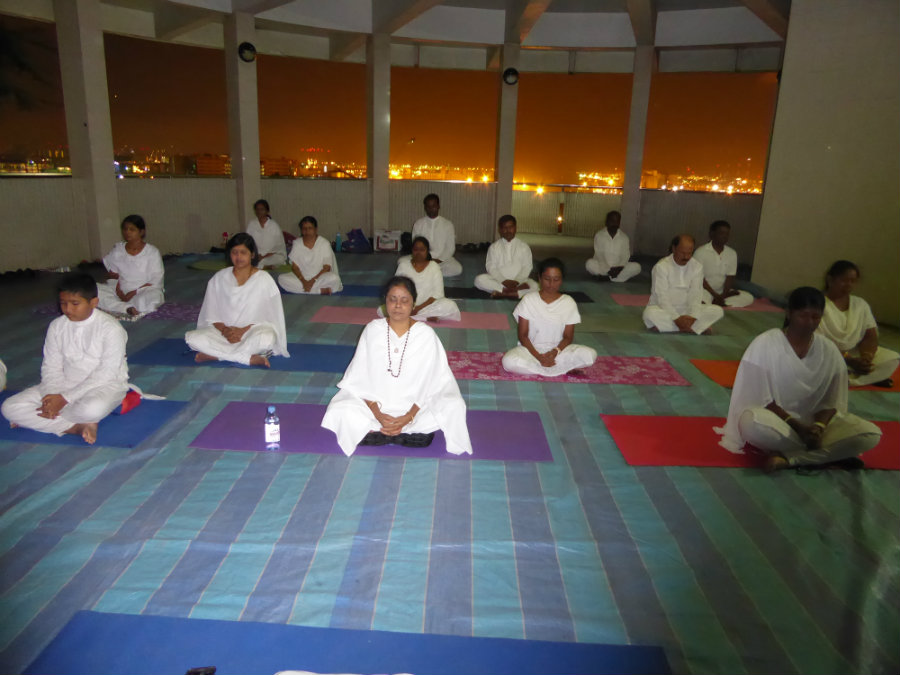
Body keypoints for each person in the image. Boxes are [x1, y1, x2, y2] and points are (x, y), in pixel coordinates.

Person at [717, 287, 882, 472]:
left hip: (815, 427)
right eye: (803, 316)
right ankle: (828, 455)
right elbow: (760, 398)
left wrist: (818, 427)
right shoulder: (765, 343)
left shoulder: (828, 349)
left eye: (815, 317)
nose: (809, 322)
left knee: (870, 434)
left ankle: (792, 458)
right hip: (778, 423)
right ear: (789, 313)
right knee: (750, 422)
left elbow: (832, 401)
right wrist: (799, 428)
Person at [321, 276, 472, 457]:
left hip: (417, 406)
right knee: (340, 408)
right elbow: (359, 376)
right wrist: (377, 414)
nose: (398, 305)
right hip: (374, 404)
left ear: (413, 303)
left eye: (404, 300)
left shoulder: (425, 334)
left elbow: (434, 380)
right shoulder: (373, 329)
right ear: (385, 301)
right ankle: (400, 432)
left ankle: (380, 432)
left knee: (454, 406)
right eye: (392, 299)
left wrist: (409, 416)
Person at [1, 273, 129, 445]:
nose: (68, 309)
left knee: (91, 410)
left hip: (103, 386)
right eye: (63, 303)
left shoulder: (111, 329)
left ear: (94, 302)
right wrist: (52, 395)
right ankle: (76, 427)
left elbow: (107, 373)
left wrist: (63, 400)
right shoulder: (57, 326)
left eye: (75, 304)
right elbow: (51, 366)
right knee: (9, 407)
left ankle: (48, 419)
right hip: (64, 384)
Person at [185, 233, 289, 367]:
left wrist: (241, 331)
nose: (238, 257)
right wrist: (226, 331)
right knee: (193, 339)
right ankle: (246, 358)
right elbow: (211, 315)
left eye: (243, 252)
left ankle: (218, 356)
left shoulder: (264, 279)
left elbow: (271, 318)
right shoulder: (219, 278)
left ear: (252, 255)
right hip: (223, 334)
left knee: (266, 338)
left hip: (252, 332)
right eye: (234, 252)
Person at [502, 258, 597, 377]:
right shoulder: (529, 300)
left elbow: (568, 337)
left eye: (556, 279)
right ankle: (561, 369)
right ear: (539, 278)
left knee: (590, 355)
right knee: (509, 361)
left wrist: (554, 353)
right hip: (530, 351)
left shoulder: (568, 302)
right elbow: (523, 336)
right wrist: (538, 357)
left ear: (561, 280)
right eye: (547, 279)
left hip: (559, 352)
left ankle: (540, 368)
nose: (551, 284)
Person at [817, 260, 899, 387]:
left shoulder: (860, 304)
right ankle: (857, 377)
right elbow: (816, 341)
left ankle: (849, 377)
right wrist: (848, 360)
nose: (848, 285)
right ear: (830, 279)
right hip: (827, 354)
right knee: (817, 362)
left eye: (853, 281)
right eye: (844, 280)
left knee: (892, 358)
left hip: (854, 352)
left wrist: (866, 357)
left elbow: (870, 336)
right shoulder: (818, 302)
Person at [643, 234, 724, 334]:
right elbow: (661, 297)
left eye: (689, 253)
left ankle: (671, 328)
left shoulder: (697, 267)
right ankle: (695, 328)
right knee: (650, 314)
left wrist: (692, 317)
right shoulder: (661, 267)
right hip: (664, 309)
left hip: (687, 311)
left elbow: (696, 294)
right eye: (682, 253)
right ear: (674, 249)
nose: (686, 257)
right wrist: (676, 318)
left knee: (717, 311)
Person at [96, 214, 165, 317]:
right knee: (95, 290)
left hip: (144, 291)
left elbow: (156, 280)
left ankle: (123, 307)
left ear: (141, 232)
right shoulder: (118, 250)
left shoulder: (152, 252)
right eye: (125, 229)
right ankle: (127, 308)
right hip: (121, 290)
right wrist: (119, 291)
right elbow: (113, 275)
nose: (127, 232)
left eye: (132, 229)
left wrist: (133, 293)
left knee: (152, 297)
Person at [379, 236, 461, 322]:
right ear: (412, 251)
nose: (418, 253)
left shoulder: (434, 267)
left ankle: (409, 316)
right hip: (406, 303)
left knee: (449, 306)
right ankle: (424, 318)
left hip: (428, 305)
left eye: (422, 250)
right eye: (416, 249)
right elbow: (395, 289)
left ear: (427, 251)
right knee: (382, 310)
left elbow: (438, 294)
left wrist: (418, 308)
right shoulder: (403, 265)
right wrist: (408, 306)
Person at [474, 214, 539, 298]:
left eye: (510, 227)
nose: (508, 230)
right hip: (499, 282)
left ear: (515, 228)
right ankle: (515, 293)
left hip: (519, 282)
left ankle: (502, 293)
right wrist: (503, 281)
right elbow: (491, 267)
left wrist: (517, 281)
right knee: (479, 280)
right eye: (504, 228)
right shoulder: (494, 247)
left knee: (535, 285)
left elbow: (527, 267)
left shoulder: (524, 247)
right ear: (500, 230)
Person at [693, 220, 754, 307]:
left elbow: (730, 278)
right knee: (697, 299)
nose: (725, 236)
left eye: (727, 234)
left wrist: (723, 295)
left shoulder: (732, 253)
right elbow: (699, 279)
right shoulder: (700, 252)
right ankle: (718, 303)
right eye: (721, 233)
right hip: (704, 291)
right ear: (712, 234)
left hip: (722, 292)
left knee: (748, 297)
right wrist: (715, 295)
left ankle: (718, 302)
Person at [278, 216, 343, 295]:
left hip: (320, 277)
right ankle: (319, 291)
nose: (307, 231)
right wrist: (304, 282)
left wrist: (312, 281)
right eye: (304, 228)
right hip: (302, 277)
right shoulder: (297, 243)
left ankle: (308, 290)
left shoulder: (324, 243)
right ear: (301, 230)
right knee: (281, 279)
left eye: (310, 228)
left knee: (335, 279)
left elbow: (327, 268)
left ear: (316, 229)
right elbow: (295, 267)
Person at [410, 193, 462, 277]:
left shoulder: (447, 224)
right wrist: (425, 259)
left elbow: (450, 248)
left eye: (433, 206)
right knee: (402, 262)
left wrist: (438, 260)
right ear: (425, 208)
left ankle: (428, 272)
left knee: (457, 268)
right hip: (423, 259)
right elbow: (416, 246)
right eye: (428, 207)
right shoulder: (418, 224)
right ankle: (433, 272)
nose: (431, 209)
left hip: (442, 261)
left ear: (438, 206)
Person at [585, 210, 641, 282]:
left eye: (617, 221)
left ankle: (606, 277)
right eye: (612, 221)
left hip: (618, 267)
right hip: (603, 266)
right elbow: (599, 255)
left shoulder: (624, 237)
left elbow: (625, 256)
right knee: (589, 264)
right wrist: (609, 269)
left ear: (619, 223)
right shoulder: (599, 235)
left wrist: (619, 268)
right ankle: (615, 277)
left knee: (637, 267)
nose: (614, 223)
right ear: (606, 222)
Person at [245, 199, 287, 269]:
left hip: (271, 256)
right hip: (255, 255)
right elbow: (248, 243)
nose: (259, 212)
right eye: (257, 209)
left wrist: (264, 256)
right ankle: (266, 266)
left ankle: (263, 266)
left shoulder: (274, 226)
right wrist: (255, 255)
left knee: (278, 259)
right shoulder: (252, 224)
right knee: (248, 260)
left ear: (267, 211)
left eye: (262, 209)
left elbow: (279, 248)